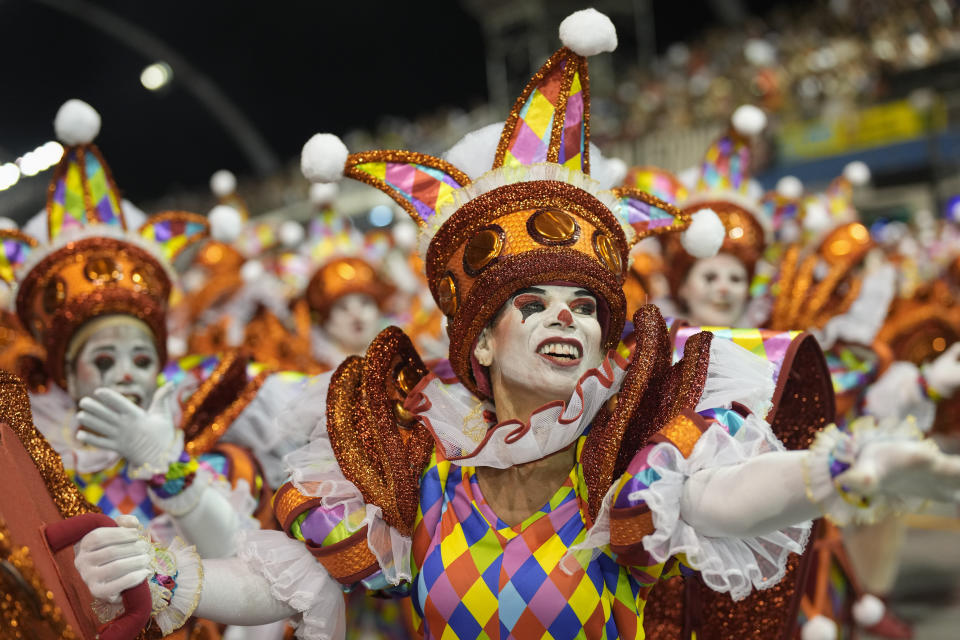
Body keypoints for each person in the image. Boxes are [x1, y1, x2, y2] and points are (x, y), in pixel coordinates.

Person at [70, 11, 960, 640]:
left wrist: (840, 470)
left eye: (586, 308)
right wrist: (166, 570)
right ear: (482, 343)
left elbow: (725, 503)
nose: (567, 321)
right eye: (533, 306)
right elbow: (272, 583)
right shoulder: (414, 473)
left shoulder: (628, 454)